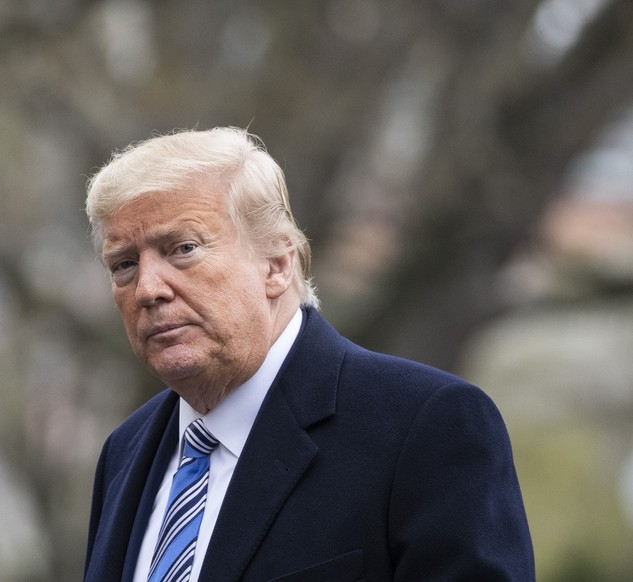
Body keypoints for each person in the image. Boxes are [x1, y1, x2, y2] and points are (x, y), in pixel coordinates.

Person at [82, 126, 534, 581]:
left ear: (277, 265)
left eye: (183, 249)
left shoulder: (426, 427)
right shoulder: (125, 451)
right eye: (124, 264)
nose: (148, 289)